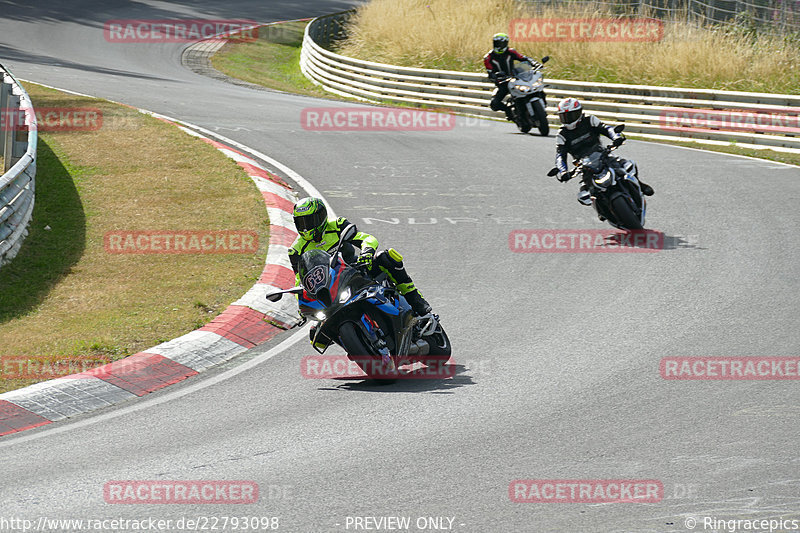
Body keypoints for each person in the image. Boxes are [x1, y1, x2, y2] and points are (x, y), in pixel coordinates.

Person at [289, 197, 432, 317]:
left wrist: (366, 252)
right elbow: (299, 281)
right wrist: (301, 301)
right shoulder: (296, 250)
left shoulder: (337, 225)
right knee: (316, 333)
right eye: (301, 222)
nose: (306, 227)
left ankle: (414, 298)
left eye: (309, 221)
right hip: (330, 289)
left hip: (356, 270)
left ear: (321, 217)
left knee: (387, 257)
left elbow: (366, 238)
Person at [554, 97, 654, 205]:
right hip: (584, 165)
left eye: (570, 115)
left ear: (579, 112)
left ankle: (639, 184)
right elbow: (560, 155)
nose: (568, 119)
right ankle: (601, 208)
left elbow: (606, 128)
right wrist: (563, 171)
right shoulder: (562, 134)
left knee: (627, 166)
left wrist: (616, 137)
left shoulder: (590, 120)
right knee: (585, 192)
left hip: (602, 155)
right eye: (564, 116)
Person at [484, 33, 539, 120]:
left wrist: (534, 63)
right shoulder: (488, 57)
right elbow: (490, 72)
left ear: (506, 43)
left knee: (536, 86)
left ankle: (539, 106)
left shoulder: (511, 52)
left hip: (515, 79)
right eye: (497, 43)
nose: (499, 46)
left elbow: (523, 58)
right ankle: (508, 110)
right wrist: (495, 76)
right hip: (502, 82)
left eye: (501, 43)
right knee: (494, 104)